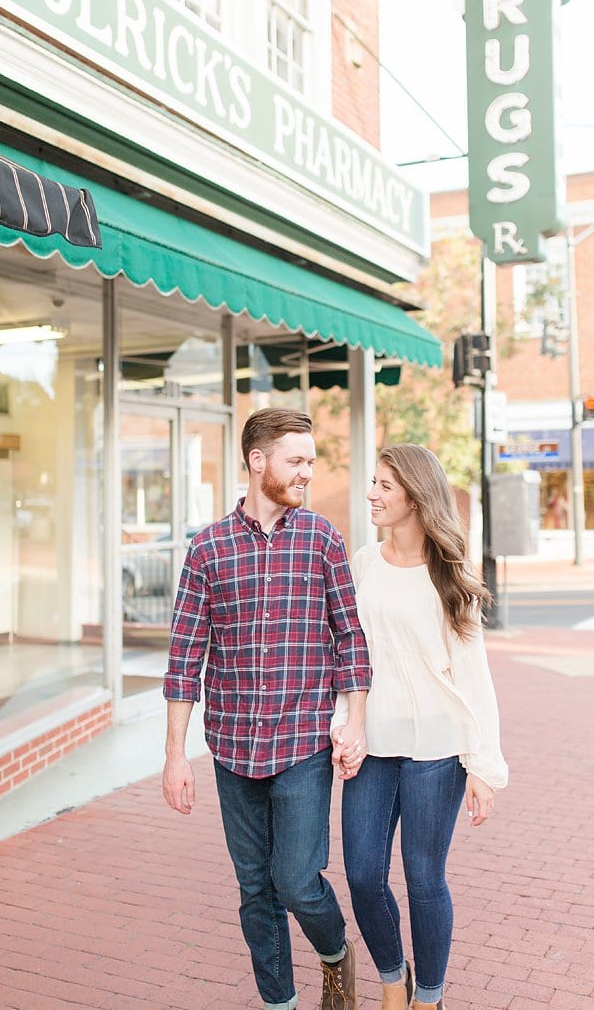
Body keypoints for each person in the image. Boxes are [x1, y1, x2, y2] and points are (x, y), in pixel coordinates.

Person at [162, 407, 370, 1010]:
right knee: (255, 891)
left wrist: (353, 720)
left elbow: (350, 638)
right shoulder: (207, 550)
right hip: (231, 750)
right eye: (297, 460)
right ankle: (280, 1003)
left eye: (311, 460)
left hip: (303, 745)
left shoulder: (322, 539)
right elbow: (184, 659)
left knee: (298, 883)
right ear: (259, 462)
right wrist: (176, 755)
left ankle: (335, 955)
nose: (308, 471)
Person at [334, 443, 507, 1010]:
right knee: (361, 874)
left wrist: (482, 764)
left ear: (415, 494)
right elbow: (350, 654)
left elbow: (473, 675)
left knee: (424, 879)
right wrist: (346, 723)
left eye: (385, 485)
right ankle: (392, 977)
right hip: (375, 740)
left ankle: (427, 997)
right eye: (374, 483)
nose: (372, 494)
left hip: (438, 745)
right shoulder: (363, 562)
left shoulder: (449, 575)